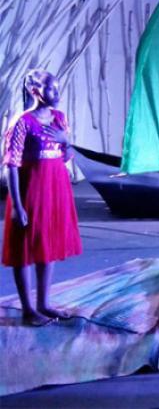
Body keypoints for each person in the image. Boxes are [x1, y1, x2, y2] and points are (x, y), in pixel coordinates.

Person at [3, 69, 82, 326]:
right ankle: (28, 309)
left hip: (55, 188)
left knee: (47, 243)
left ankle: (44, 303)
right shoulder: (22, 122)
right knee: (25, 247)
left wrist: (65, 141)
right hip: (32, 189)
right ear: (36, 91)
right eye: (51, 89)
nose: (57, 93)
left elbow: (66, 156)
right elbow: (11, 165)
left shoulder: (59, 118)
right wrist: (17, 205)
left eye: (57, 88)